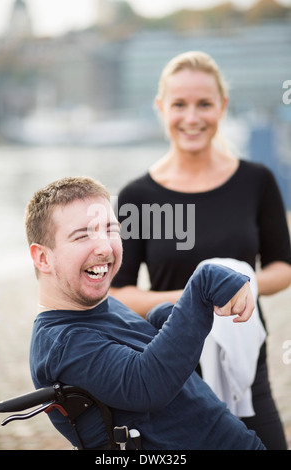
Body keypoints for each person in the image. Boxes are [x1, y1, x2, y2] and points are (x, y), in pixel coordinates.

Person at [110, 51, 291, 450]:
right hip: (173, 371)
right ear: (161, 108)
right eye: (179, 104)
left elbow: (283, 267)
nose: (192, 117)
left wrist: (237, 284)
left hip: (248, 371)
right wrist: (199, 296)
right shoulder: (138, 196)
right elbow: (119, 292)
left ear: (222, 107)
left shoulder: (256, 181)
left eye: (204, 104)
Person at [26, 176, 265, 450]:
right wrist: (205, 281)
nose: (104, 248)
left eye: (110, 230)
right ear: (43, 258)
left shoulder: (96, 304)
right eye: (82, 235)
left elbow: (161, 363)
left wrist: (164, 319)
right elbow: (146, 385)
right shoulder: (63, 343)